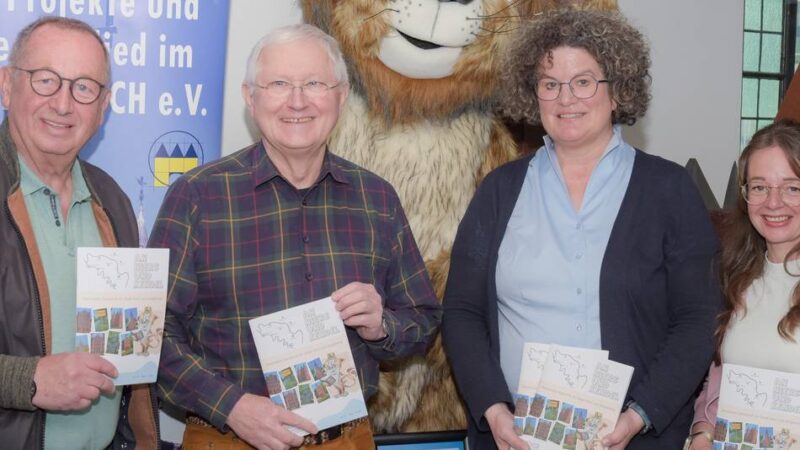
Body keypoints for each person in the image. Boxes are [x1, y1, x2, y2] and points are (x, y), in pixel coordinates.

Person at [149, 23, 441, 450]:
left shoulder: (376, 198)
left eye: (315, 84)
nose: (298, 100)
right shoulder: (198, 196)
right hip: (228, 437)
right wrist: (231, 405)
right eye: (279, 84)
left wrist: (383, 325)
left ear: (340, 97)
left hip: (347, 440)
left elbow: (423, 319)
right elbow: (153, 332)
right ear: (251, 98)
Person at [442, 9, 721, 450]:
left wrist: (638, 416)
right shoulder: (499, 190)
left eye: (584, 81)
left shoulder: (670, 191)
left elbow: (697, 319)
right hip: (516, 437)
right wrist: (493, 409)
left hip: (631, 436)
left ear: (617, 92)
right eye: (550, 84)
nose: (565, 98)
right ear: (534, 96)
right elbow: (461, 312)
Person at [0, 16, 159, 450]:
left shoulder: (113, 200)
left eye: (84, 87)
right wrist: (27, 380)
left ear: (103, 106)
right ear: (7, 84)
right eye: (46, 80)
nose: (64, 104)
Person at [687, 120, 800, 450]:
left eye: (792, 187)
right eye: (760, 186)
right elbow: (721, 381)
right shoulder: (735, 275)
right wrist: (702, 434)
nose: (773, 202)